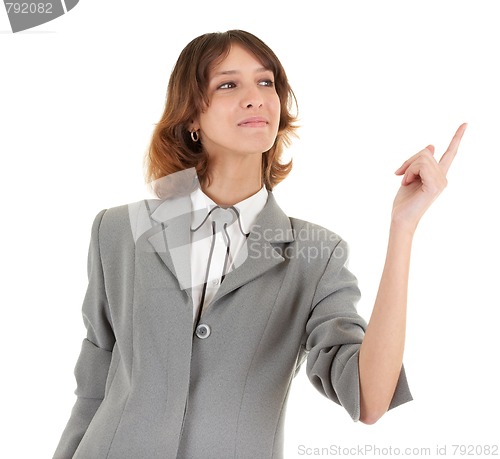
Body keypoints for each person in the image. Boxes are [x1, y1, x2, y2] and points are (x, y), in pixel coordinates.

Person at [52, 30, 467, 459]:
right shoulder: (119, 229)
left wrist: (403, 229)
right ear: (191, 116)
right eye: (228, 84)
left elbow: (370, 398)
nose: (255, 97)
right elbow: (92, 389)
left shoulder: (315, 253)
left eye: (266, 82)